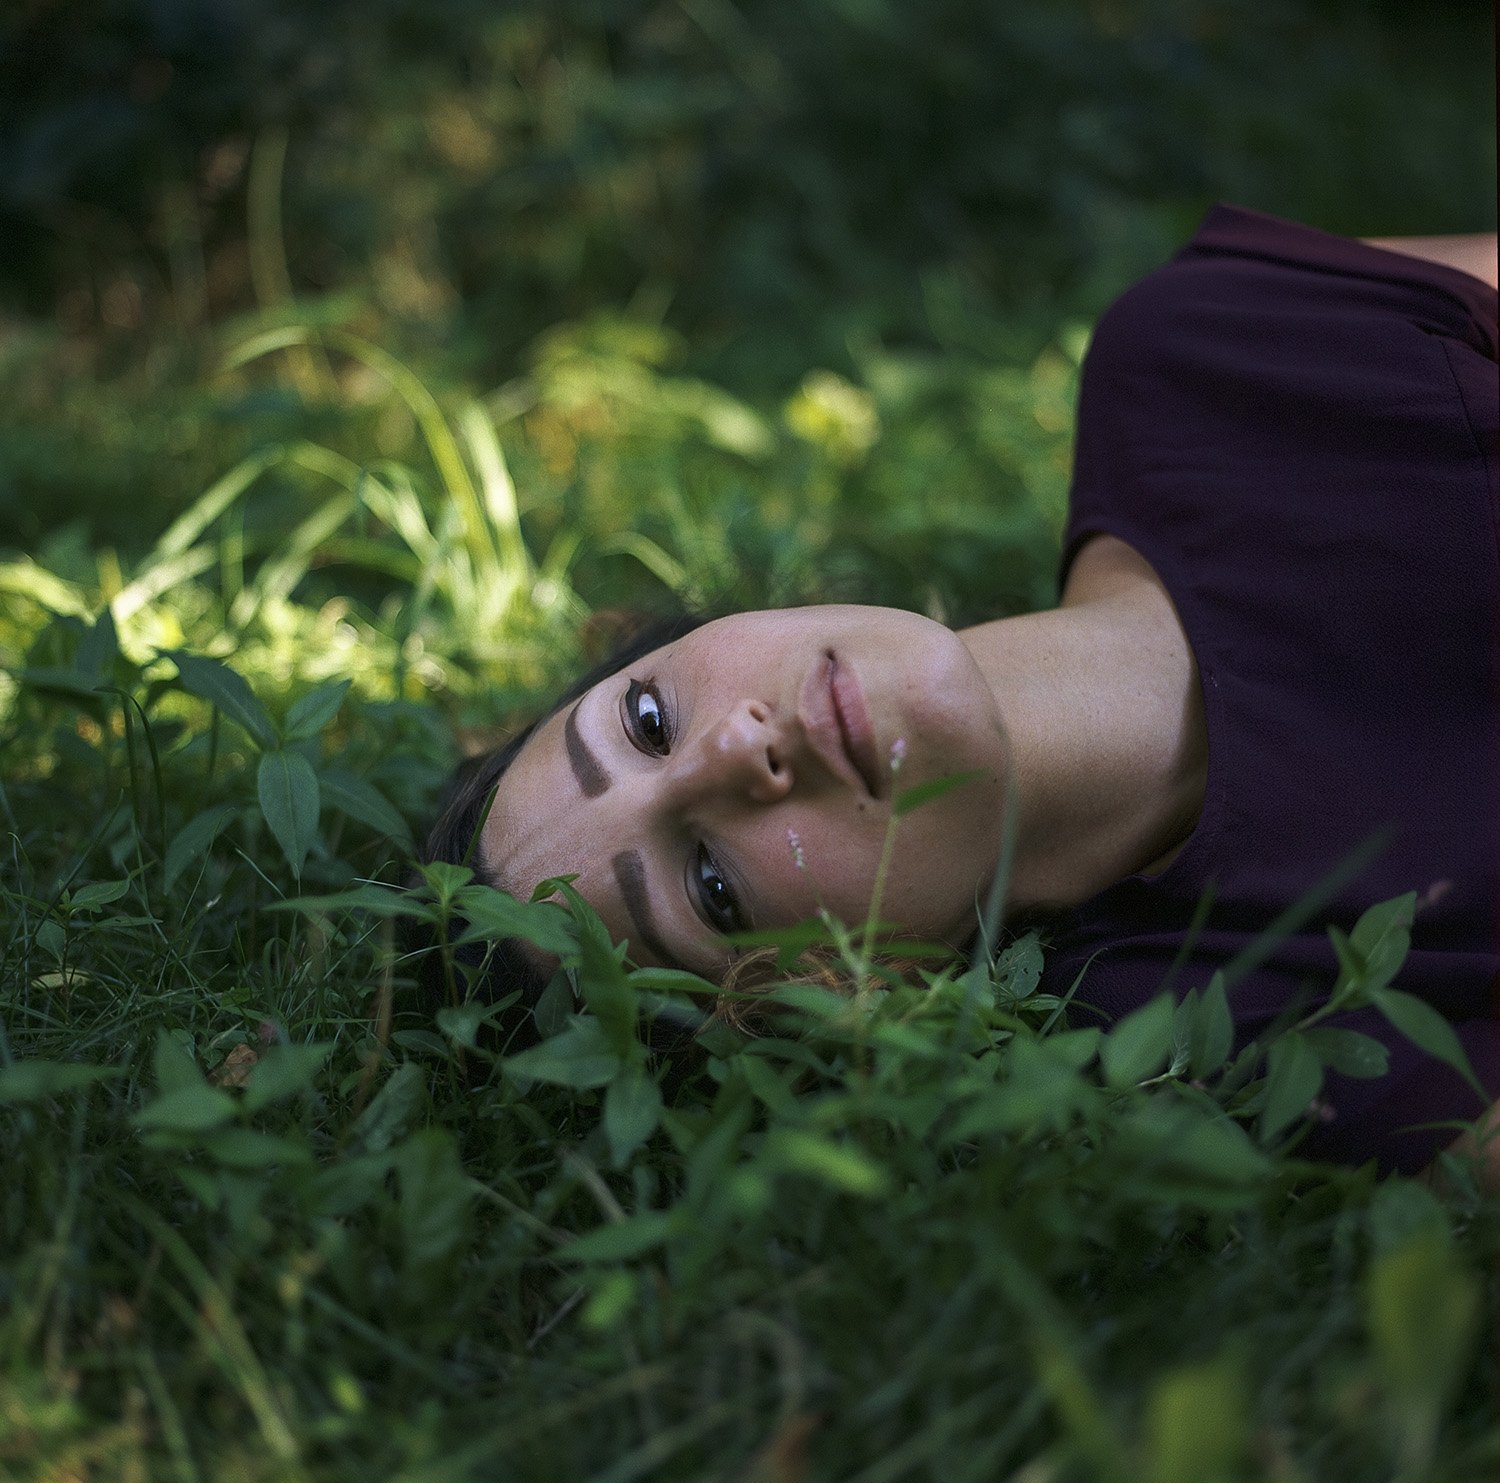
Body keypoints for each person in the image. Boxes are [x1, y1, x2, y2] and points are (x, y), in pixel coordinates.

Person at [420, 204, 1498, 1177]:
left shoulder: (1202, 355)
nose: (734, 752)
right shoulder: (1260, 1048)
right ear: (845, 1011)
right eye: (711, 886)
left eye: (650, 721)